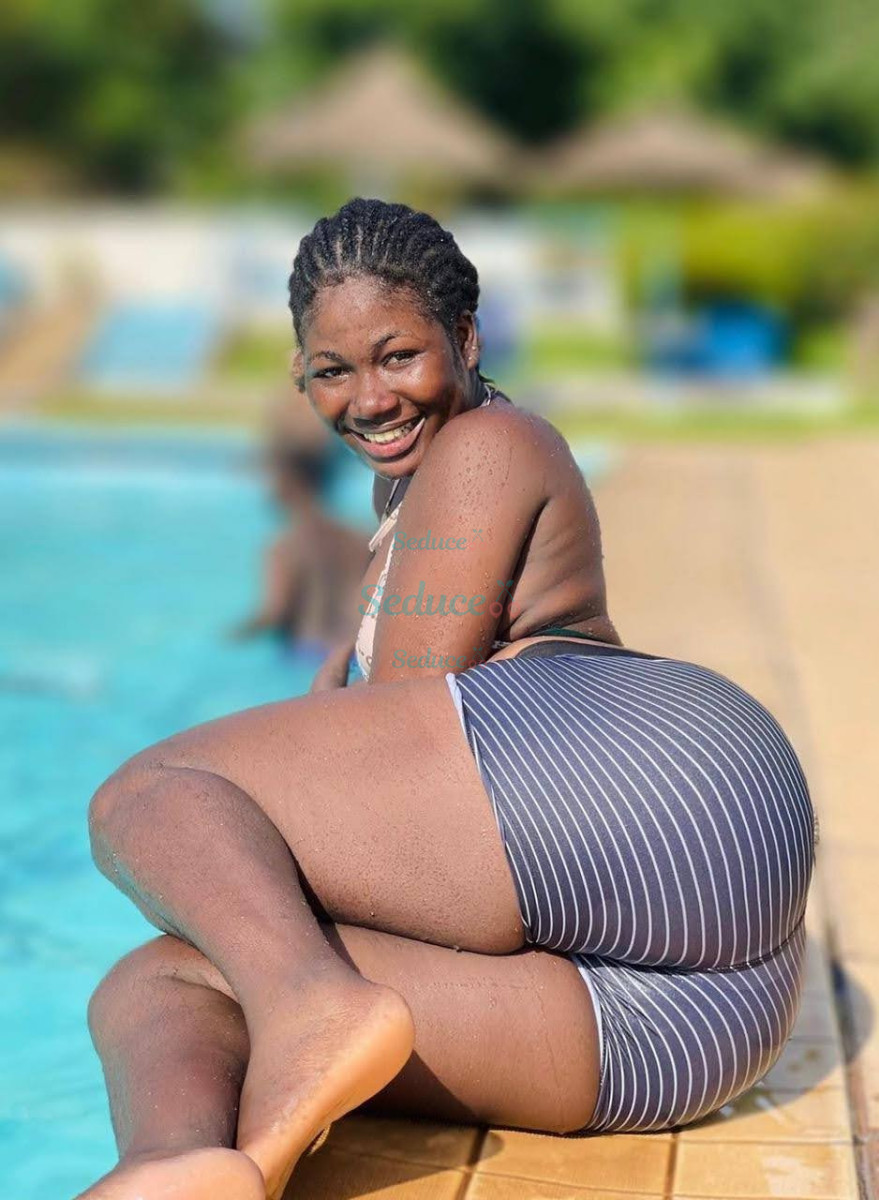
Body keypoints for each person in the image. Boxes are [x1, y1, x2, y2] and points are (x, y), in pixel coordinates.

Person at [79, 199, 814, 1200]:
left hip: (658, 789)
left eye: (398, 356)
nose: (369, 397)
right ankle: (186, 1168)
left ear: (464, 340)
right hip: (684, 1028)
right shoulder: (410, 496)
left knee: (147, 798)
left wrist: (263, 827)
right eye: (332, 371)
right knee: (158, 979)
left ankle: (309, 1006)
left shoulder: (486, 446)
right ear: (299, 376)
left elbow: (395, 756)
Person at [228, 433, 370, 659]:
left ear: (289, 483)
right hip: (353, 651)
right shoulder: (362, 538)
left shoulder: (285, 547)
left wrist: (234, 636)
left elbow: (276, 613)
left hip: (306, 653)